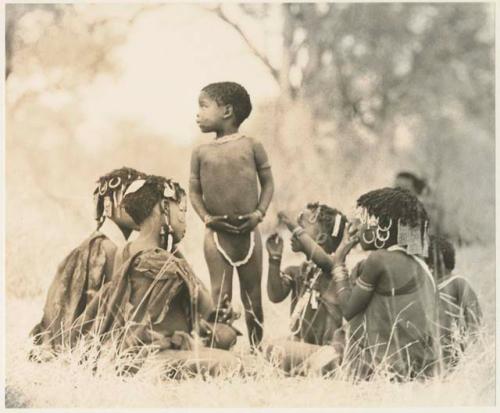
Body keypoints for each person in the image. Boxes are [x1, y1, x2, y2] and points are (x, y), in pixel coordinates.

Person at [72, 175, 242, 378]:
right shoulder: (163, 262)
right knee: (234, 364)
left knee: (225, 345)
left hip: (134, 353)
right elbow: (204, 307)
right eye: (182, 211)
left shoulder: (125, 252)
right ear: (164, 207)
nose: (184, 223)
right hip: (158, 355)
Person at [280, 188, 439, 381]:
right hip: (419, 368)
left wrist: (339, 262)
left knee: (275, 349)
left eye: (362, 221)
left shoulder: (379, 259)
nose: (354, 229)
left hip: (378, 367)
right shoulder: (421, 264)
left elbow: (348, 309)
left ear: (384, 226)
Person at [189, 81, 274, 348]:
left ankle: (258, 352)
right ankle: (219, 353)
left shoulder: (252, 145)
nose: (198, 114)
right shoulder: (200, 152)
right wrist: (207, 218)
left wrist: (259, 214)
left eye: (203, 107)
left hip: (249, 235)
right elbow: (194, 192)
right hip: (216, 238)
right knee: (220, 297)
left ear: (226, 111)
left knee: (253, 299)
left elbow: (268, 183)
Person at [29, 167, 147, 358]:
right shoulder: (107, 248)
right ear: (109, 205)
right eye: (132, 199)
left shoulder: (107, 244)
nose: (141, 207)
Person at [263, 203, 347, 375]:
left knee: (276, 349)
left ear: (321, 238)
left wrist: (292, 226)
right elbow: (275, 295)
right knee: (273, 348)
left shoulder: (333, 269)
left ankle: (316, 366)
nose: (293, 233)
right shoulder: (297, 271)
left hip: (328, 351)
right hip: (304, 348)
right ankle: (306, 366)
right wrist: (274, 260)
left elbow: (323, 260)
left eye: (302, 228)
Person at [427, 235, 482, 367]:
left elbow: (474, 322)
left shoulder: (458, 283)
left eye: (429, 261)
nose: (429, 265)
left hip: (451, 354)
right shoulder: (425, 283)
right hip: (427, 355)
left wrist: (464, 349)